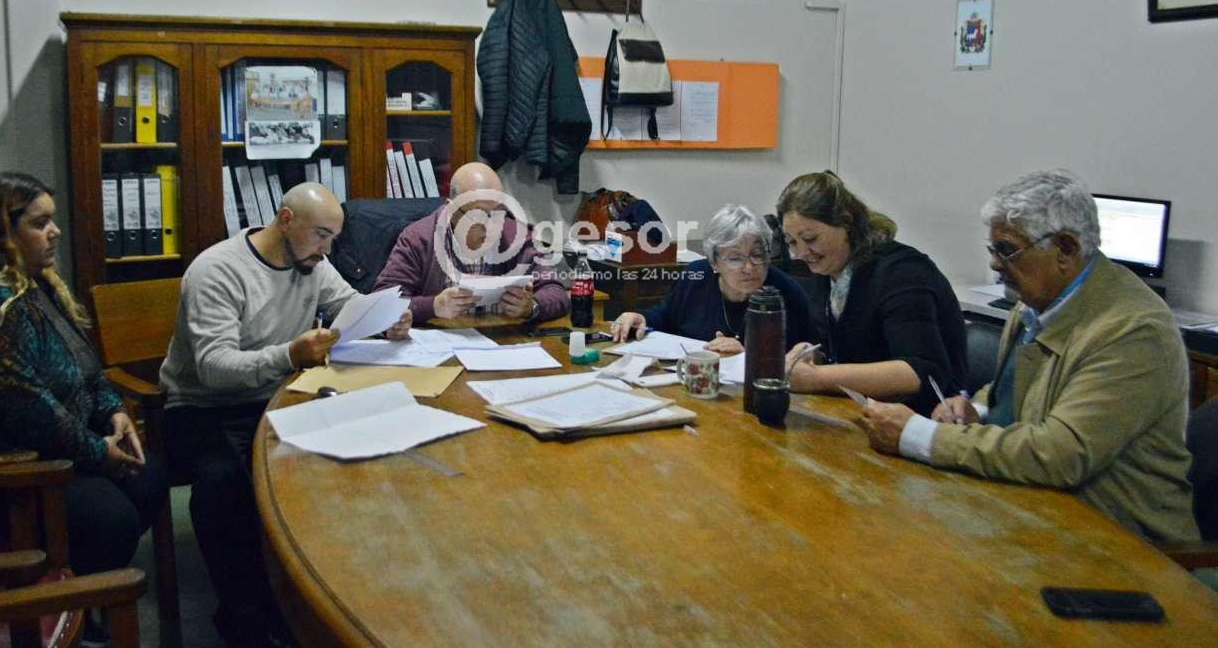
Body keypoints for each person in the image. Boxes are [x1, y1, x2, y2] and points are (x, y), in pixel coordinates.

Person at [857, 170, 1197, 542]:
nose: (994, 264)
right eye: (993, 250)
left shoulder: (1133, 331)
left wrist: (919, 435)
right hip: (1036, 508)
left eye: (1006, 250)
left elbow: (1060, 454)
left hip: (1122, 541)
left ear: (1065, 249)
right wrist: (977, 409)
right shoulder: (1037, 302)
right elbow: (1015, 389)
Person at [0, 172, 167, 648]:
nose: (54, 233)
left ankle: (84, 594)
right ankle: (80, 612)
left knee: (150, 477)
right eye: (40, 223)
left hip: (46, 452)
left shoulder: (36, 286)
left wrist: (114, 412)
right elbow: (24, 410)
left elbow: (86, 368)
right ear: (0, 233)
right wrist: (98, 452)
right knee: (110, 519)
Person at [159, 181, 408, 648]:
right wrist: (290, 354)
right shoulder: (217, 271)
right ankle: (246, 619)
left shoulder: (310, 260)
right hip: (202, 407)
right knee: (226, 485)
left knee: (353, 450)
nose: (327, 250)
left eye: (333, 238)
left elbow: (347, 304)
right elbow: (213, 368)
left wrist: (387, 320)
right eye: (321, 236)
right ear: (285, 220)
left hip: (277, 393)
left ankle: (327, 597)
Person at [776, 171, 967, 416]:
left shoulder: (904, 272)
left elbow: (923, 371)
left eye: (810, 238)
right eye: (792, 242)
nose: (801, 253)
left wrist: (818, 377)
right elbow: (841, 347)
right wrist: (812, 353)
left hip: (927, 421)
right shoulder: (826, 271)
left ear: (846, 222)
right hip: (861, 415)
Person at [374, 162, 568, 322]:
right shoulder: (418, 238)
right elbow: (382, 303)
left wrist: (531, 306)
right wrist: (432, 306)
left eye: (497, 212)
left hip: (500, 340)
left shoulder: (516, 236)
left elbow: (556, 291)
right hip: (439, 344)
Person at [611, 204, 809, 354]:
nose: (749, 268)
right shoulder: (695, 276)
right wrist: (641, 318)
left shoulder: (785, 292)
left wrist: (748, 354)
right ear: (714, 262)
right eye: (735, 258)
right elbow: (668, 315)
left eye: (758, 255)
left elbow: (806, 355)